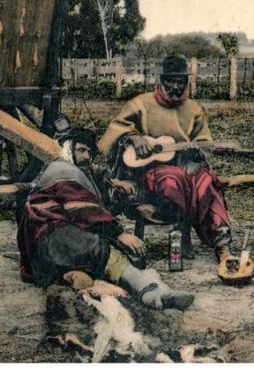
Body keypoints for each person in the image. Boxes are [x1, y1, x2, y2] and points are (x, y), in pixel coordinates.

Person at [17, 123, 194, 310]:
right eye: (81, 150)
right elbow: (84, 209)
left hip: (46, 246)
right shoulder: (64, 172)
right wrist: (119, 234)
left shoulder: (72, 167)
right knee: (103, 250)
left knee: (104, 255)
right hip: (52, 240)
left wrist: (114, 182)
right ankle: (149, 292)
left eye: (89, 152)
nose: (86, 156)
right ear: (69, 149)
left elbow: (94, 173)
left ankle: (150, 289)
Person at [97, 54, 232, 262]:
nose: (176, 86)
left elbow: (204, 141)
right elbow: (114, 132)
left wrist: (196, 149)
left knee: (207, 181)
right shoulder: (141, 103)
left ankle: (222, 243)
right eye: (171, 80)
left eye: (181, 81)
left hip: (186, 163)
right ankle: (181, 232)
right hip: (147, 169)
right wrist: (134, 137)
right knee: (173, 179)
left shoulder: (195, 109)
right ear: (160, 80)